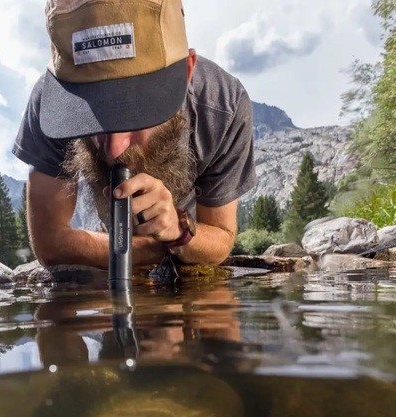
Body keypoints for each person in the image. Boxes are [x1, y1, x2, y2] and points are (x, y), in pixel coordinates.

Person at [13, 0, 257, 268]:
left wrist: (178, 230)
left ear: (187, 71)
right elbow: (50, 243)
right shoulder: (55, 106)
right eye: (92, 117)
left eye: (135, 114)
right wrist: (152, 250)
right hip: (105, 238)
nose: (113, 149)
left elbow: (220, 237)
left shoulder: (222, 106)